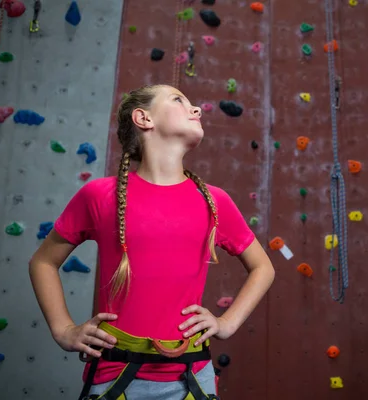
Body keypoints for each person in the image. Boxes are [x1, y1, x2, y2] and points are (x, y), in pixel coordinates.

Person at [29, 84, 275, 400]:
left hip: (191, 378)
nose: (196, 109)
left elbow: (262, 268)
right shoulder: (99, 196)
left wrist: (227, 322)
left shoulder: (215, 201)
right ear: (144, 118)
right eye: (179, 100)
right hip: (114, 376)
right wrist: (63, 329)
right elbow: (43, 262)